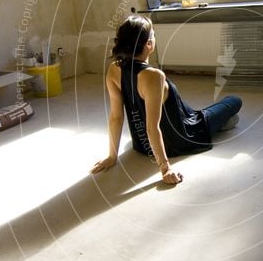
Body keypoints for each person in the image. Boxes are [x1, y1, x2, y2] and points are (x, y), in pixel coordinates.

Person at [90, 15, 242, 185]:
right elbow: (152, 127)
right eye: (153, 35)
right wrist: (165, 168)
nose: (155, 38)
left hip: (142, 145)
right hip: (182, 136)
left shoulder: (113, 69)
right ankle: (220, 124)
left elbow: (116, 117)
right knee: (234, 101)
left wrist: (112, 156)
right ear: (148, 44)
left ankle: (221, 123)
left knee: (213, 114)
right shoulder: (154, 76)